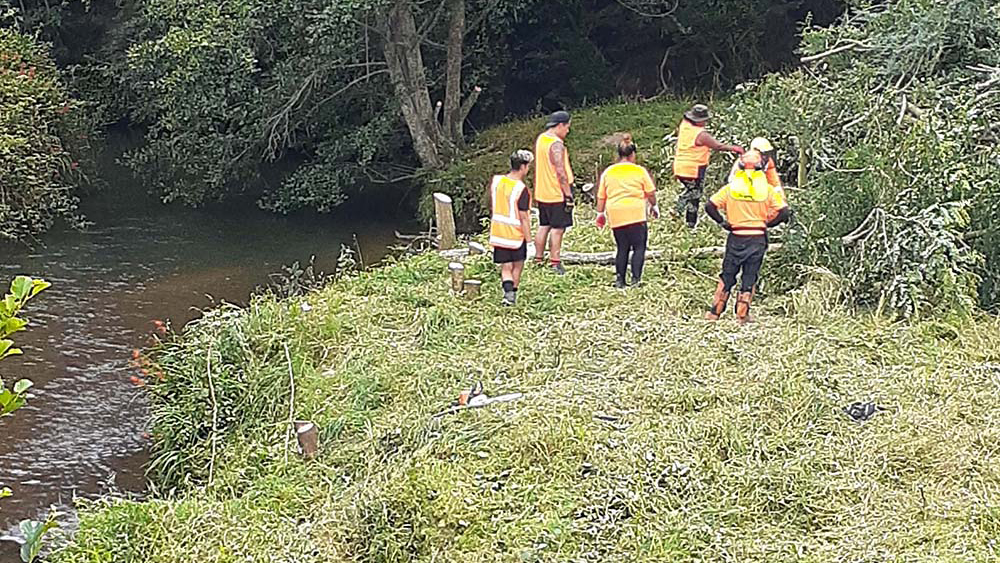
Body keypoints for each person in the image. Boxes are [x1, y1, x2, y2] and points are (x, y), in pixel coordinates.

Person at [703, 150, 791, 324]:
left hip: (736, 236)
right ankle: (742, 316)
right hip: (757, 238)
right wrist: (769, 224)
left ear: (740, 167)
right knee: (750, 276)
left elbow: (709, 206)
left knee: (727, 275)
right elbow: (784, 211)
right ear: (761, 168)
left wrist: (723, 222)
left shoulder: (730, 189)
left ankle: (715, 313)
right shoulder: (767, 190)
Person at [595, 134, 659, 288]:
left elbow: (601, 196)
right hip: (635, 213)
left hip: (616, 214)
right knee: (639, 247)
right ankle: (636, 280)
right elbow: (650, 192)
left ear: (618, 154)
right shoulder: (639, 171)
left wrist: (600, 213)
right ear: (632, 154)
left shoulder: (609, 172)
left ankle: (620, 280)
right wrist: (654, 206)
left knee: (622, 247)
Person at [673, 104, 744, 229]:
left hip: (680, 166)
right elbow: (717, 146)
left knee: (695, 195)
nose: (706, 122)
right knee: (694, 193)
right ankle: (678, 209)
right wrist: (734, 148)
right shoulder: (701, 135)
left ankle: (690, 223)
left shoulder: (685, 126)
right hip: (692, 168)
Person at [489, 150, 535, 306]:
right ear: (523, 167)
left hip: (498, 232)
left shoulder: (497, 181)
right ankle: (512, 295)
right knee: (517, 266)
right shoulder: (521, 190)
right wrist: (529, 242)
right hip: (515, 235)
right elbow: (523, 217)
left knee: (505, 267)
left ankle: (507, 293)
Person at [533, 110, 574, 275]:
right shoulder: (556, 144)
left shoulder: (541, 139)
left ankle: (538, 258)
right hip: (556, 193)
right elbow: (560, 171)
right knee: (558, 229)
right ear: (560, 125)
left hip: (542, 192)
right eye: (567, 127)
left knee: (544, 225)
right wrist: (568, 194)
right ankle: (555, 262)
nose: (568, 131)